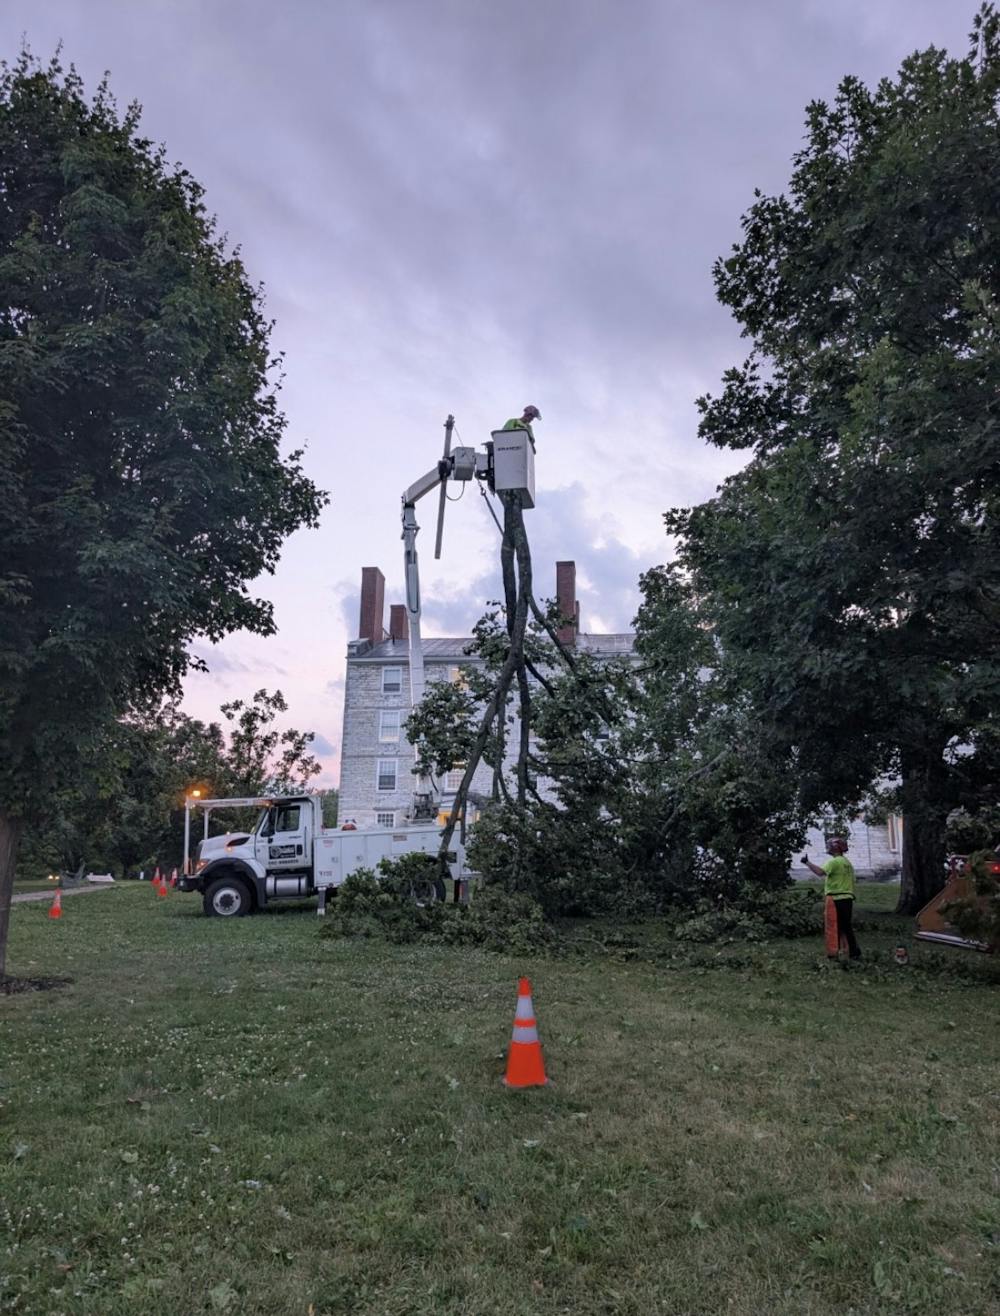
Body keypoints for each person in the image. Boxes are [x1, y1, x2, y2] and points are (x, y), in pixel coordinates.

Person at [802, 836, 862, 959]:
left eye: (829, 845)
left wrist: (807, 862)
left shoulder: (833, 862)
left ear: (835, 848)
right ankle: (852, 951)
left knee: (834, 926)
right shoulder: (847, 863)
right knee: (846, 926)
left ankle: (834, 953)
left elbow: (820, 872)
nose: (827, 847)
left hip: (836, 898)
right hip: (848, 898)